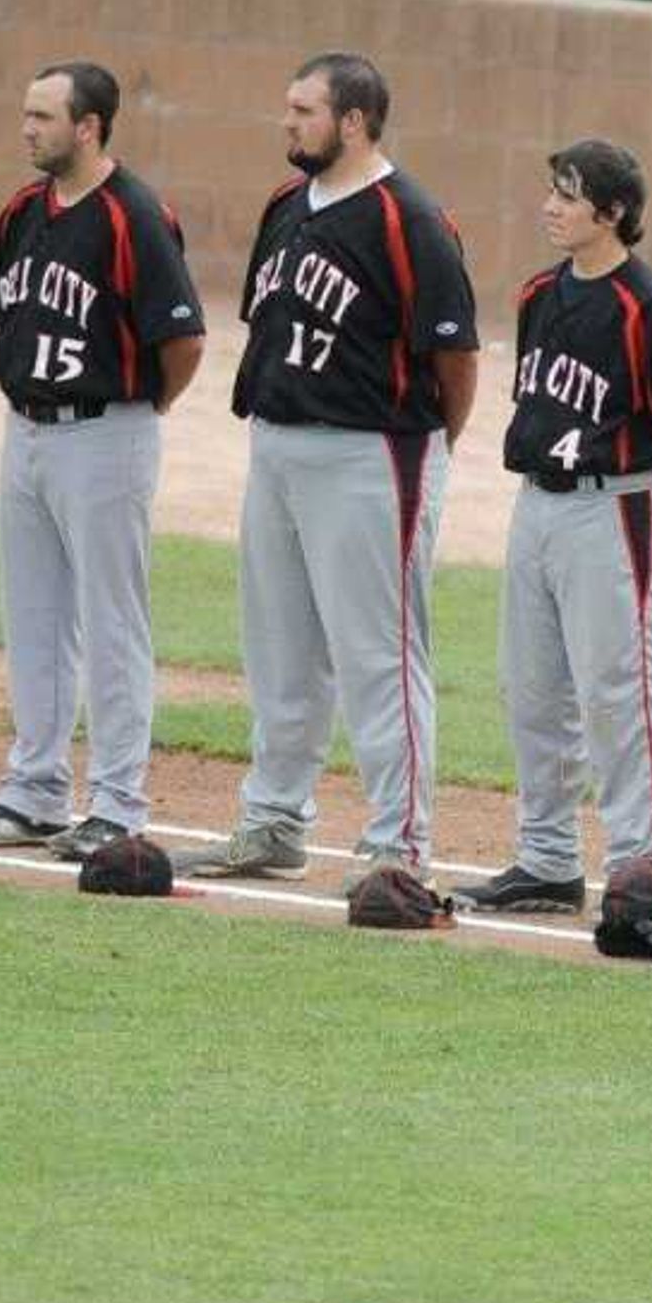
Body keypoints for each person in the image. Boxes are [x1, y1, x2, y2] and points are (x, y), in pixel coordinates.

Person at [181, 53, 479, 884]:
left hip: (372, 453)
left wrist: (421, 449)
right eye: (288, 106)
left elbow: (455, 361)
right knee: (280, 647)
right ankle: (273, 821)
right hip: (277, 444)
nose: (288, 122)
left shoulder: (410, 219)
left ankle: (400, 843)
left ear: (353, 122)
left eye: (304, 109)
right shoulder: (287, 205)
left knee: (378, 652)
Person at [0, 62, 204, 861]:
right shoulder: (24, 210)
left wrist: (139, 410)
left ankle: (119, 804)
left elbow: (183, 341)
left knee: (112, 622)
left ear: (88, 127)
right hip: (25, 429)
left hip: (106, 431)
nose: (27, 129)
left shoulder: (134, 216)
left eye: (44, 117)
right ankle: (34, 794)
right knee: (36, 619)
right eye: (25, 114)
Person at [466, 139, 652, 914]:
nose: (552, 206)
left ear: (613, 214)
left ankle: (642, 864)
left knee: (619, 692)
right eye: (553, 191)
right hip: (535, 502)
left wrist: (645, 498)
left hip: (613, 504)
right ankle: (547, 857)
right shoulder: (541, 294)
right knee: (532, 688)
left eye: (569, 196)